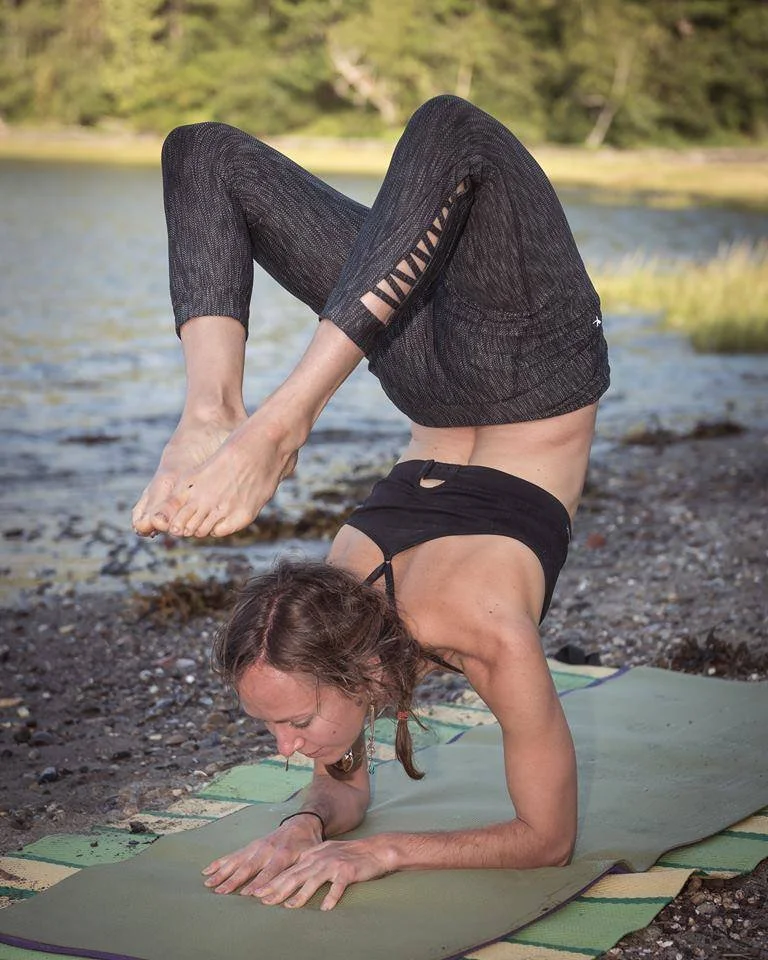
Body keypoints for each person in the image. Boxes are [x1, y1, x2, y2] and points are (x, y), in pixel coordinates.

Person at [132, 95, 609, 911]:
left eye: (293, 724)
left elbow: (546, 839)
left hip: (480, 359)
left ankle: (251, 417)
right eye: (286, 731)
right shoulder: (391, 639)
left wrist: (380, 855)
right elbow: (365, 797)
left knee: (210, 149)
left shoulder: (400, 629)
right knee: (435, 138)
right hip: (507, 352)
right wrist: (306, 827)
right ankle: (233, 417)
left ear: (347, 670)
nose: (289, 748)